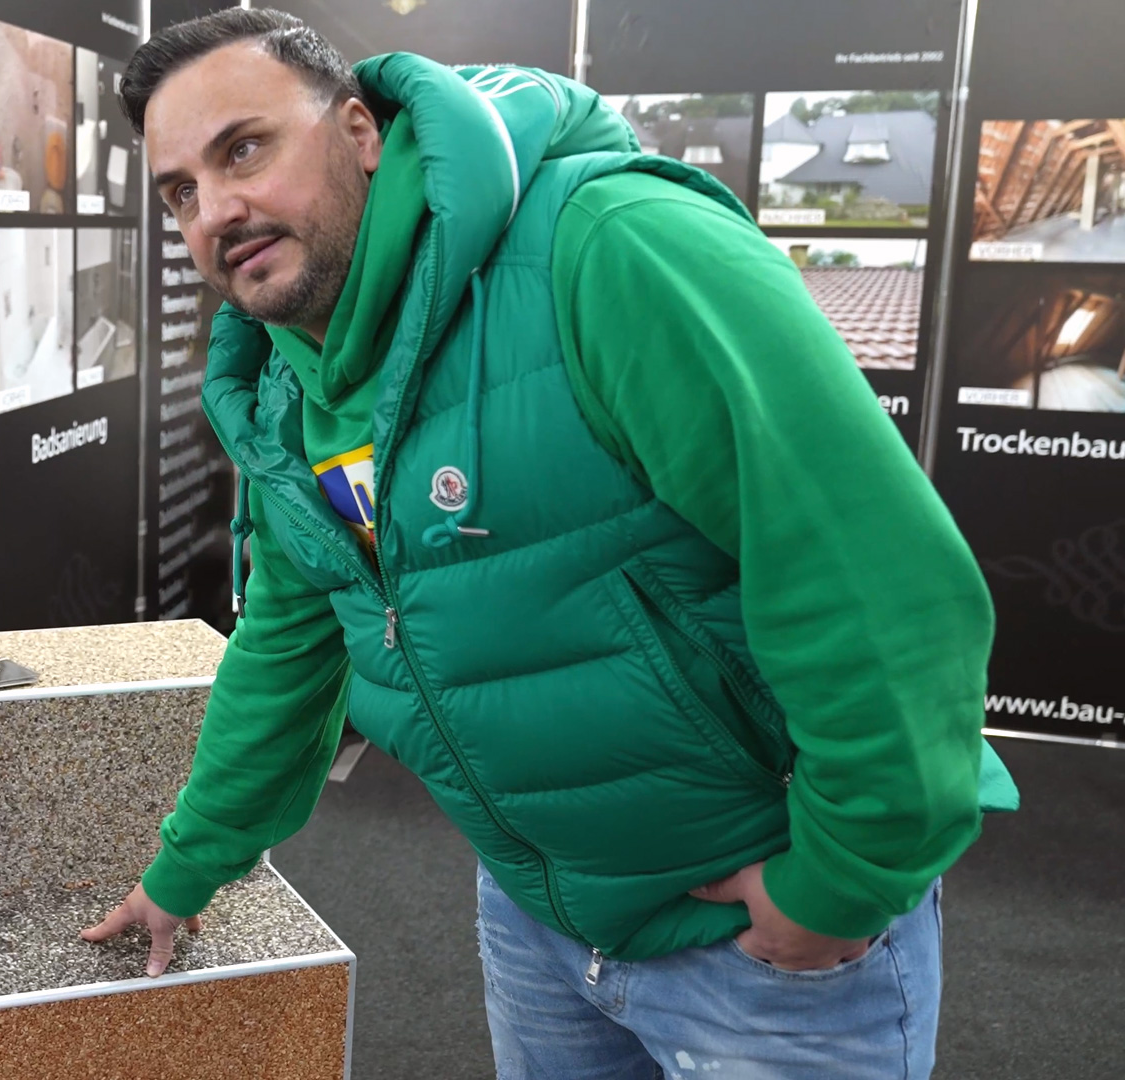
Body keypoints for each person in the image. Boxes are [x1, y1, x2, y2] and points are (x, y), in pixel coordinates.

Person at [79, 9, 1018, 1078]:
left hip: (760, 951)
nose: (216, 211)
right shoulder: (290, 379)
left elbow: (877, 584)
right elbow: (291, 643)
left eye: (245, 149)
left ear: (360, 130)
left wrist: (838, 888)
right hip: (539, 919)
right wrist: (187, 867)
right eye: (181, 192)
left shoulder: (611, 245)